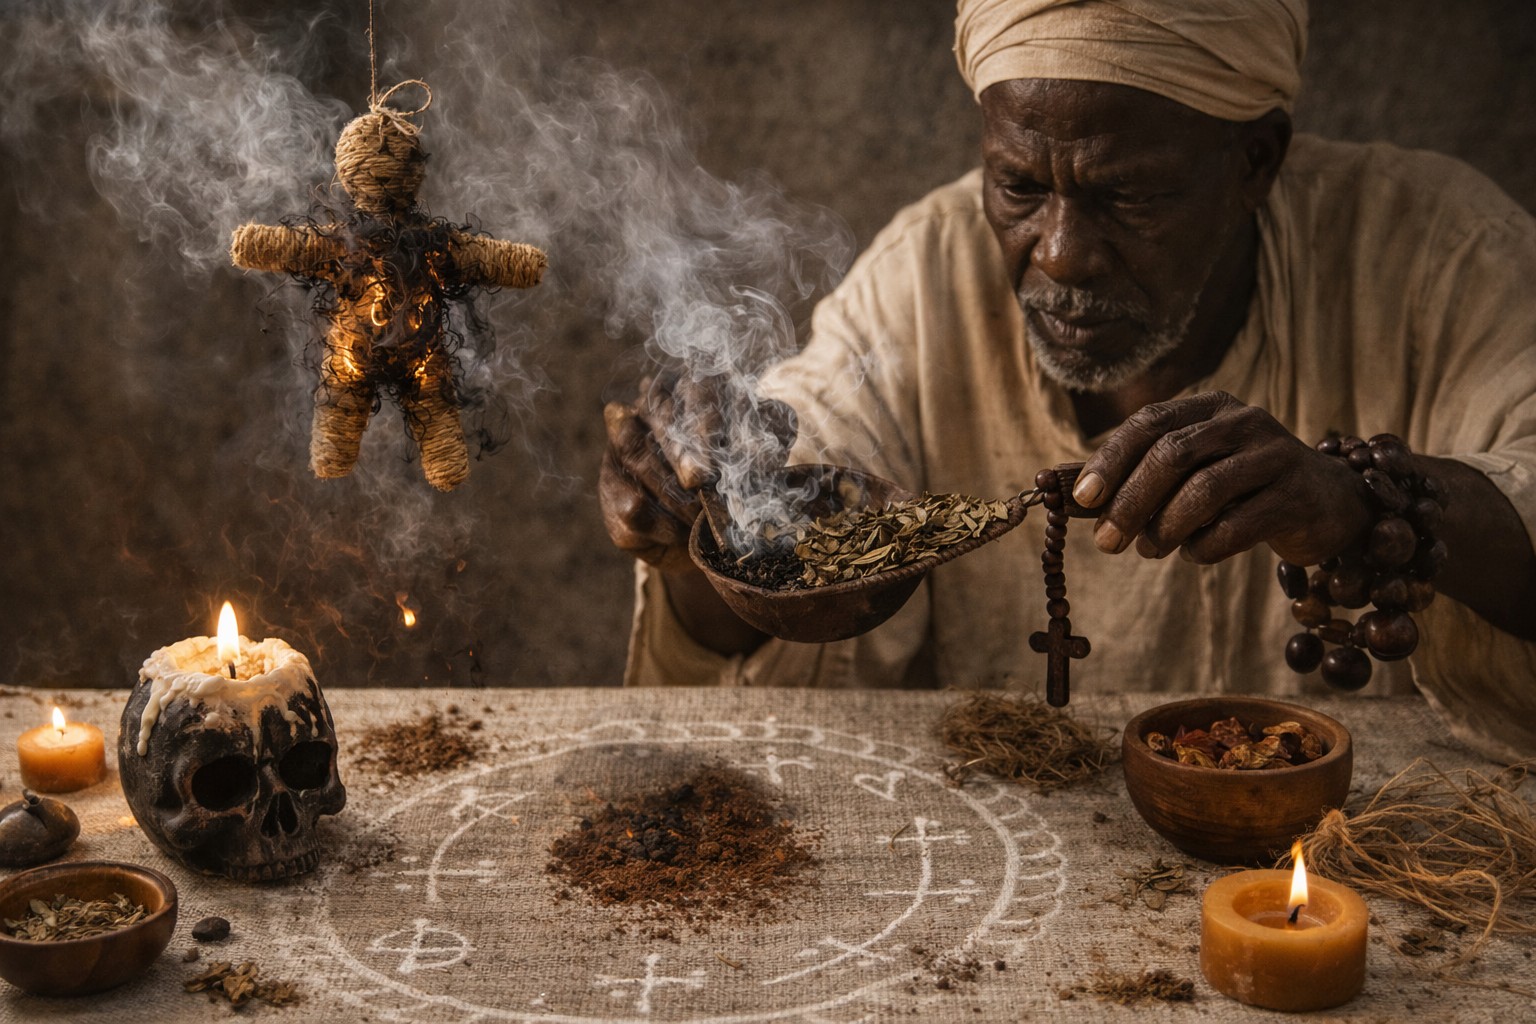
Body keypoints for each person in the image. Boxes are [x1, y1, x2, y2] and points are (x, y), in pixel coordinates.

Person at [599, 0, 1536, 763]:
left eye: (1125, 196)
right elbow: (814, 458)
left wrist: (1367, 506)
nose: (1061, 254)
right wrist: (704, 536)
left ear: (1256, 162)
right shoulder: (926, 278)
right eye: (1018, 187)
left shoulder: (1442, 258)